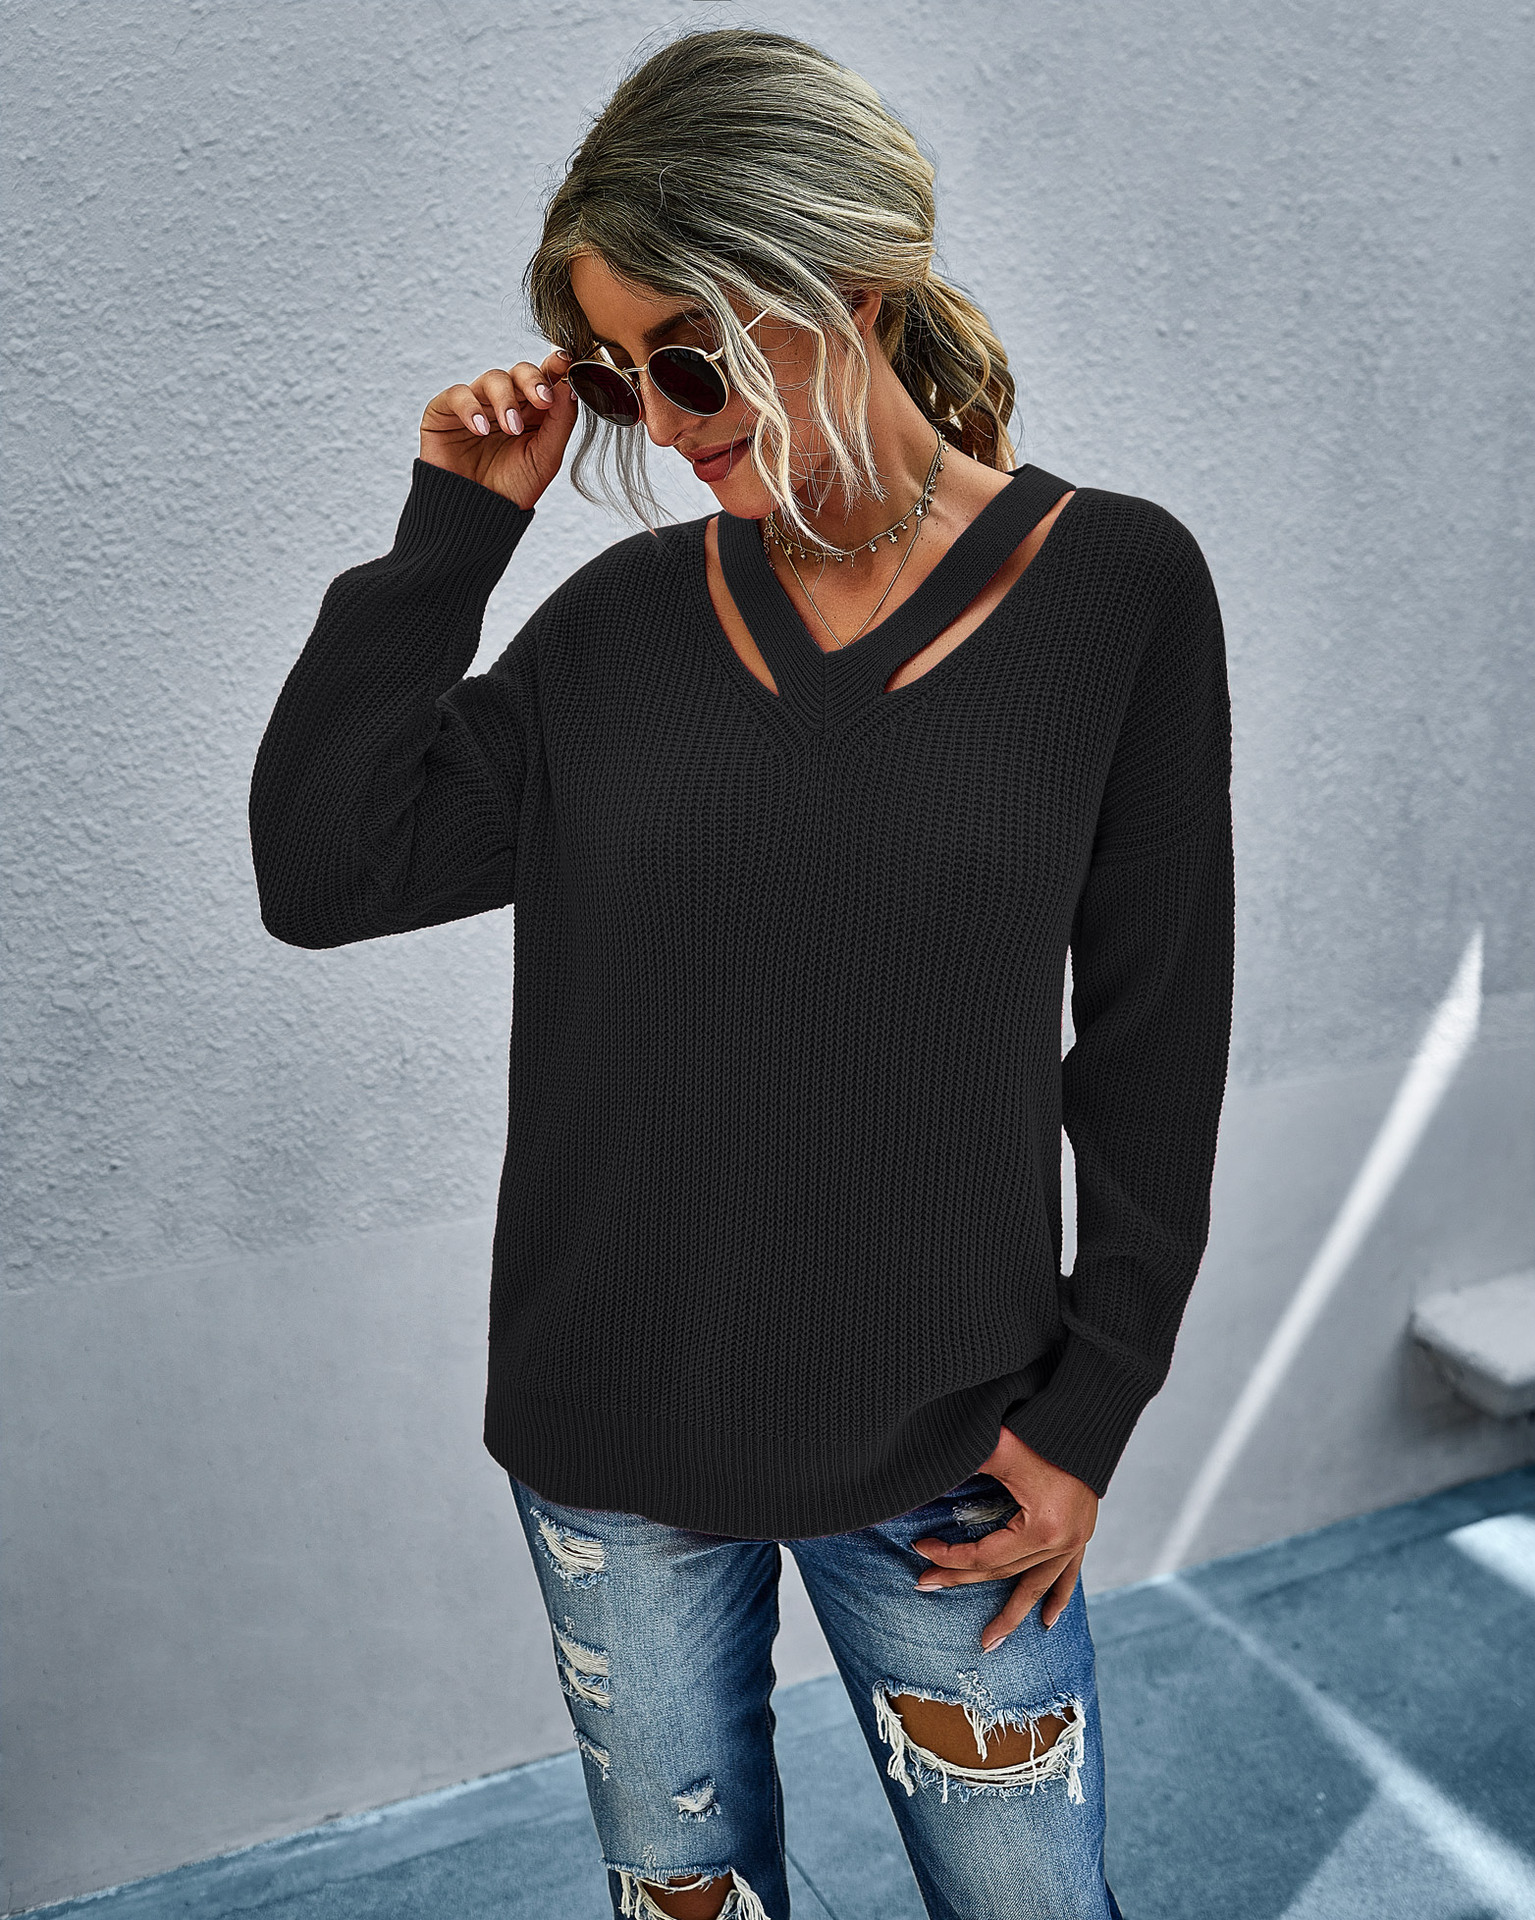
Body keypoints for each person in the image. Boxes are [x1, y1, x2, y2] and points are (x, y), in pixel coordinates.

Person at [249, 27, 1233, 1920]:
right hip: (613, 1439)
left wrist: (1092, 1403)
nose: (667, 418)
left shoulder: (1117, 592)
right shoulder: (615, 627)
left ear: (847, 287)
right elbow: (325, 872)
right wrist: (456, 530)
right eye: (624, 377)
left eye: (692, 356)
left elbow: (1153, 1033)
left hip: (955, 1445)